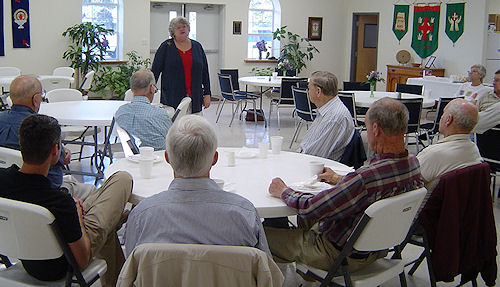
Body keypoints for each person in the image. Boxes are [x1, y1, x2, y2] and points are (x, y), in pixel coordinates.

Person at [264, 97, 423, 272]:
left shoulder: (365, 179)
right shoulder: (413, 164)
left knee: (256, 233)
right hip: (377, 249)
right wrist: (340, 180)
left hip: (336, 255)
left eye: (367, 127)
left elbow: (313, 207)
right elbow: (374, 188)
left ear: (376, 129)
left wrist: (284, 191)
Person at [0, 114, 132, 286]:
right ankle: (116, 217)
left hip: (26, 257)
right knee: (122, 179)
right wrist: (77, 215)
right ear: (55, 150)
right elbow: (82, 260)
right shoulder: (60, 202)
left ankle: (113, 219)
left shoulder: (3, 181)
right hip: (63, 264)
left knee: (103, 208)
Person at [124, 115, 270, 257]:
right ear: (215, 158)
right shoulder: (245, 215)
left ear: (167, 157)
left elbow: (132, 269)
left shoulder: (142, 216)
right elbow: (265, 272)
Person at [0, 75, 93, 200]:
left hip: (7, 190)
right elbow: (61, 159)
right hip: (47, 192)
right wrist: (63, 151)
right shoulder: (40, 127)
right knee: (91, 190)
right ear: (36, 99)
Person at [417, 99, 482, 205]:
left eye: (443, 114)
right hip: (457, 214)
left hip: (425, 216)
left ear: (448, 119)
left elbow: (408, 184)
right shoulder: (474, 150)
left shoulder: (434, 154)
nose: (441, 118)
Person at [151, 16, 211, 114]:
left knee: (194, 126)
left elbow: (205, 73)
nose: (182, 29)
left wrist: (207, 94)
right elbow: (155, 71)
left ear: (188, 29)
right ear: (173, 32)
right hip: (172, 98)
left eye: (184, 26)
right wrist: (150, 90)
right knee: (176, 127)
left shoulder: (197, 47)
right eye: (178, 27)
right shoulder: (166, 47)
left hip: (195, 97)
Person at [298, 71, 354, 161]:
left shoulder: (334, 117)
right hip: (309, 160)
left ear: (318, 91)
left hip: (319, 168)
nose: (308, 92)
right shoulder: (326, 109)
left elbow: (314, 156)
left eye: (309, 88)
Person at [114, 70, 172, 150]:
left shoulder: (121, 112)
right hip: (160, 157)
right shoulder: (160, 114)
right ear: (152, 88)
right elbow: (172, 139)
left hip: (133, 158)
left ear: (131, 89)